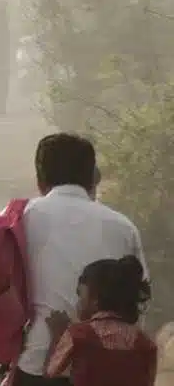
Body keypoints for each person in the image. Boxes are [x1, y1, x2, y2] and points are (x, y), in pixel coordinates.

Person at [12, 133, 147, 386]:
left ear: (40, 180)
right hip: (110, 366)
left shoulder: (18, 220)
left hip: (37, 363)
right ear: (92, 178)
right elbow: (139, 298)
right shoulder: (123, 227)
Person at [43, 255, 157, 386]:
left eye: (80, 295)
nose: (77, 303)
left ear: (95, 299)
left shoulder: (78, 335)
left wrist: (57, 335)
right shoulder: (145, 344)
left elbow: (50, 372)